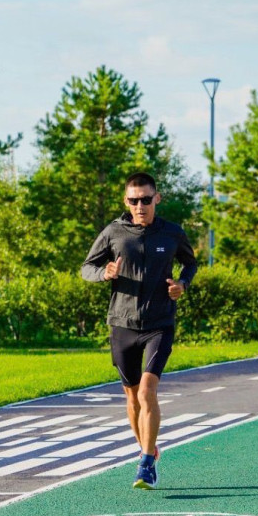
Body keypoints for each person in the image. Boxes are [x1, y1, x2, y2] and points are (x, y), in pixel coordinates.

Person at [81, 171, 198, 489]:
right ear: (126, 201)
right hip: (122, 325)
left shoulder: (171, 233)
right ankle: (148, 447)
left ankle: (146, 463)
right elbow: (86, 268)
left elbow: (190, 263)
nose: (140, 205)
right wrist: (104, 274)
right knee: (132, 397)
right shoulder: (114, 232)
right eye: (134, 200)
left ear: (157, 198)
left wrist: (182, 285)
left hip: (159, 325)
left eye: (146, 199)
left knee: (147, 391)